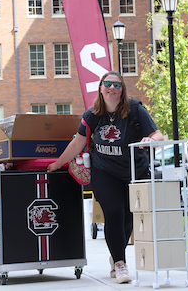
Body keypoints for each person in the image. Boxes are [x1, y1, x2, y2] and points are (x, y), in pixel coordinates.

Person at [47, 71, 163, 284]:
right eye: (107, 84)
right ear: (100, 88)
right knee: (113, 211)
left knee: (128, 218)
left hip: (134, 171)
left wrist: (149, 138)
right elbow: (78, 143)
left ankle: (115, 252)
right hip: (104, 171)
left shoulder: (135, 109)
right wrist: (57, 163)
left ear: (122, 90)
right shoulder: (92, 114)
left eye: (116, 85)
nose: (111, 88)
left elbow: (158, 134)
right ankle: (120, 264)